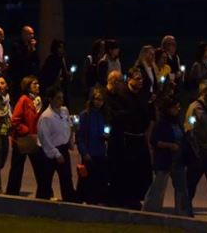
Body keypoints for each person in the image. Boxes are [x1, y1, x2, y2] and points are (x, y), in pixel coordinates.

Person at [105, 67, 152, 209]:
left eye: (141, 79)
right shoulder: (122, 95)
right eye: (137, 78)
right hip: (126, 139)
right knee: (126, 171)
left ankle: (136, 197)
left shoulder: (142, 95)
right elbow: (119, 116)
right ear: (130, 80)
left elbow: (145, 115)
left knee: (141, 172)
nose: (140, 81)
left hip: (139, 137)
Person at [143, 95, 191, 216]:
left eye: (178, 107)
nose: (178, 110)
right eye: (175, 107)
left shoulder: (178, 123)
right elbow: (154, 141)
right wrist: (169, 145)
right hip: (165, 159)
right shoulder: (162, 124)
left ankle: (183, 212)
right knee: (158, 187)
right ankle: (151, 212)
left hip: (178, 160)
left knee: (182, 188)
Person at [36, 85, 76, 202]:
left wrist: (70, 141)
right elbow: (44, 139)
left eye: (61, 98)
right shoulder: (46, 117)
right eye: (58, 98)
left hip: (63, 148)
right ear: (51, 99)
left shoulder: (64, 111)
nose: (61, 100)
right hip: (50, 151)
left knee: (67, 178)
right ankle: (41, 203)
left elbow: (68, 126)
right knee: (45, 180)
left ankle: (70, 202)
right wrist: (56, 154)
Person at [6, 75, 44, 196]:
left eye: (38, 84)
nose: (37, 86)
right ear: (28, 87)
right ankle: (12, 193)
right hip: (23, 140)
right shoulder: (23, 100)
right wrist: (27, 131)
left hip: (32, 139)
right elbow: (15, 120)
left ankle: (44, 192)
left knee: (39, 168)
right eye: (34, 84)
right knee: (17, 168)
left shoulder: (37, 101)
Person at [184, 80, 207, 204]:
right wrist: (194, 150)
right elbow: (189, 129)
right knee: (191, 182)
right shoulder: (194, 107)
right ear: (204, 91)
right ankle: (185, 207)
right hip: (199, 150)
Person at [76, 85, 109, 205]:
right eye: (97, 99)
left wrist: (106, 136)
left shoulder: (103, 115)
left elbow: (105, 131)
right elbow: (79, 136)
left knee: (99, 179)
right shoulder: (85, 115)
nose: (99, 102)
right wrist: (84, 152)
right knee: (86, 179)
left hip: (100, 152)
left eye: (101, 100)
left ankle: (96, 200)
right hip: (88, 153)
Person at [39, 39, 72, 107]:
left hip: (62, 87)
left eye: (63, 47)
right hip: (53, 87)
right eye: (60, 47)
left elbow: (65, 72)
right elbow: (47, 74)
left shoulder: (64, 59)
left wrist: (68, 76)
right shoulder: (51, 59)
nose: (62, 49)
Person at [8, 26, 38, 100]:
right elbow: (20, 60)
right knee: (18, 97)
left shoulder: (30, 46)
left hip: (28, 76)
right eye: (30, 34)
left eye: (33, 34)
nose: (32, 36)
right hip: (18, 78)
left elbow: (36, 60)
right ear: (24, 34)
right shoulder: (16, 45)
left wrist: (33, 49)